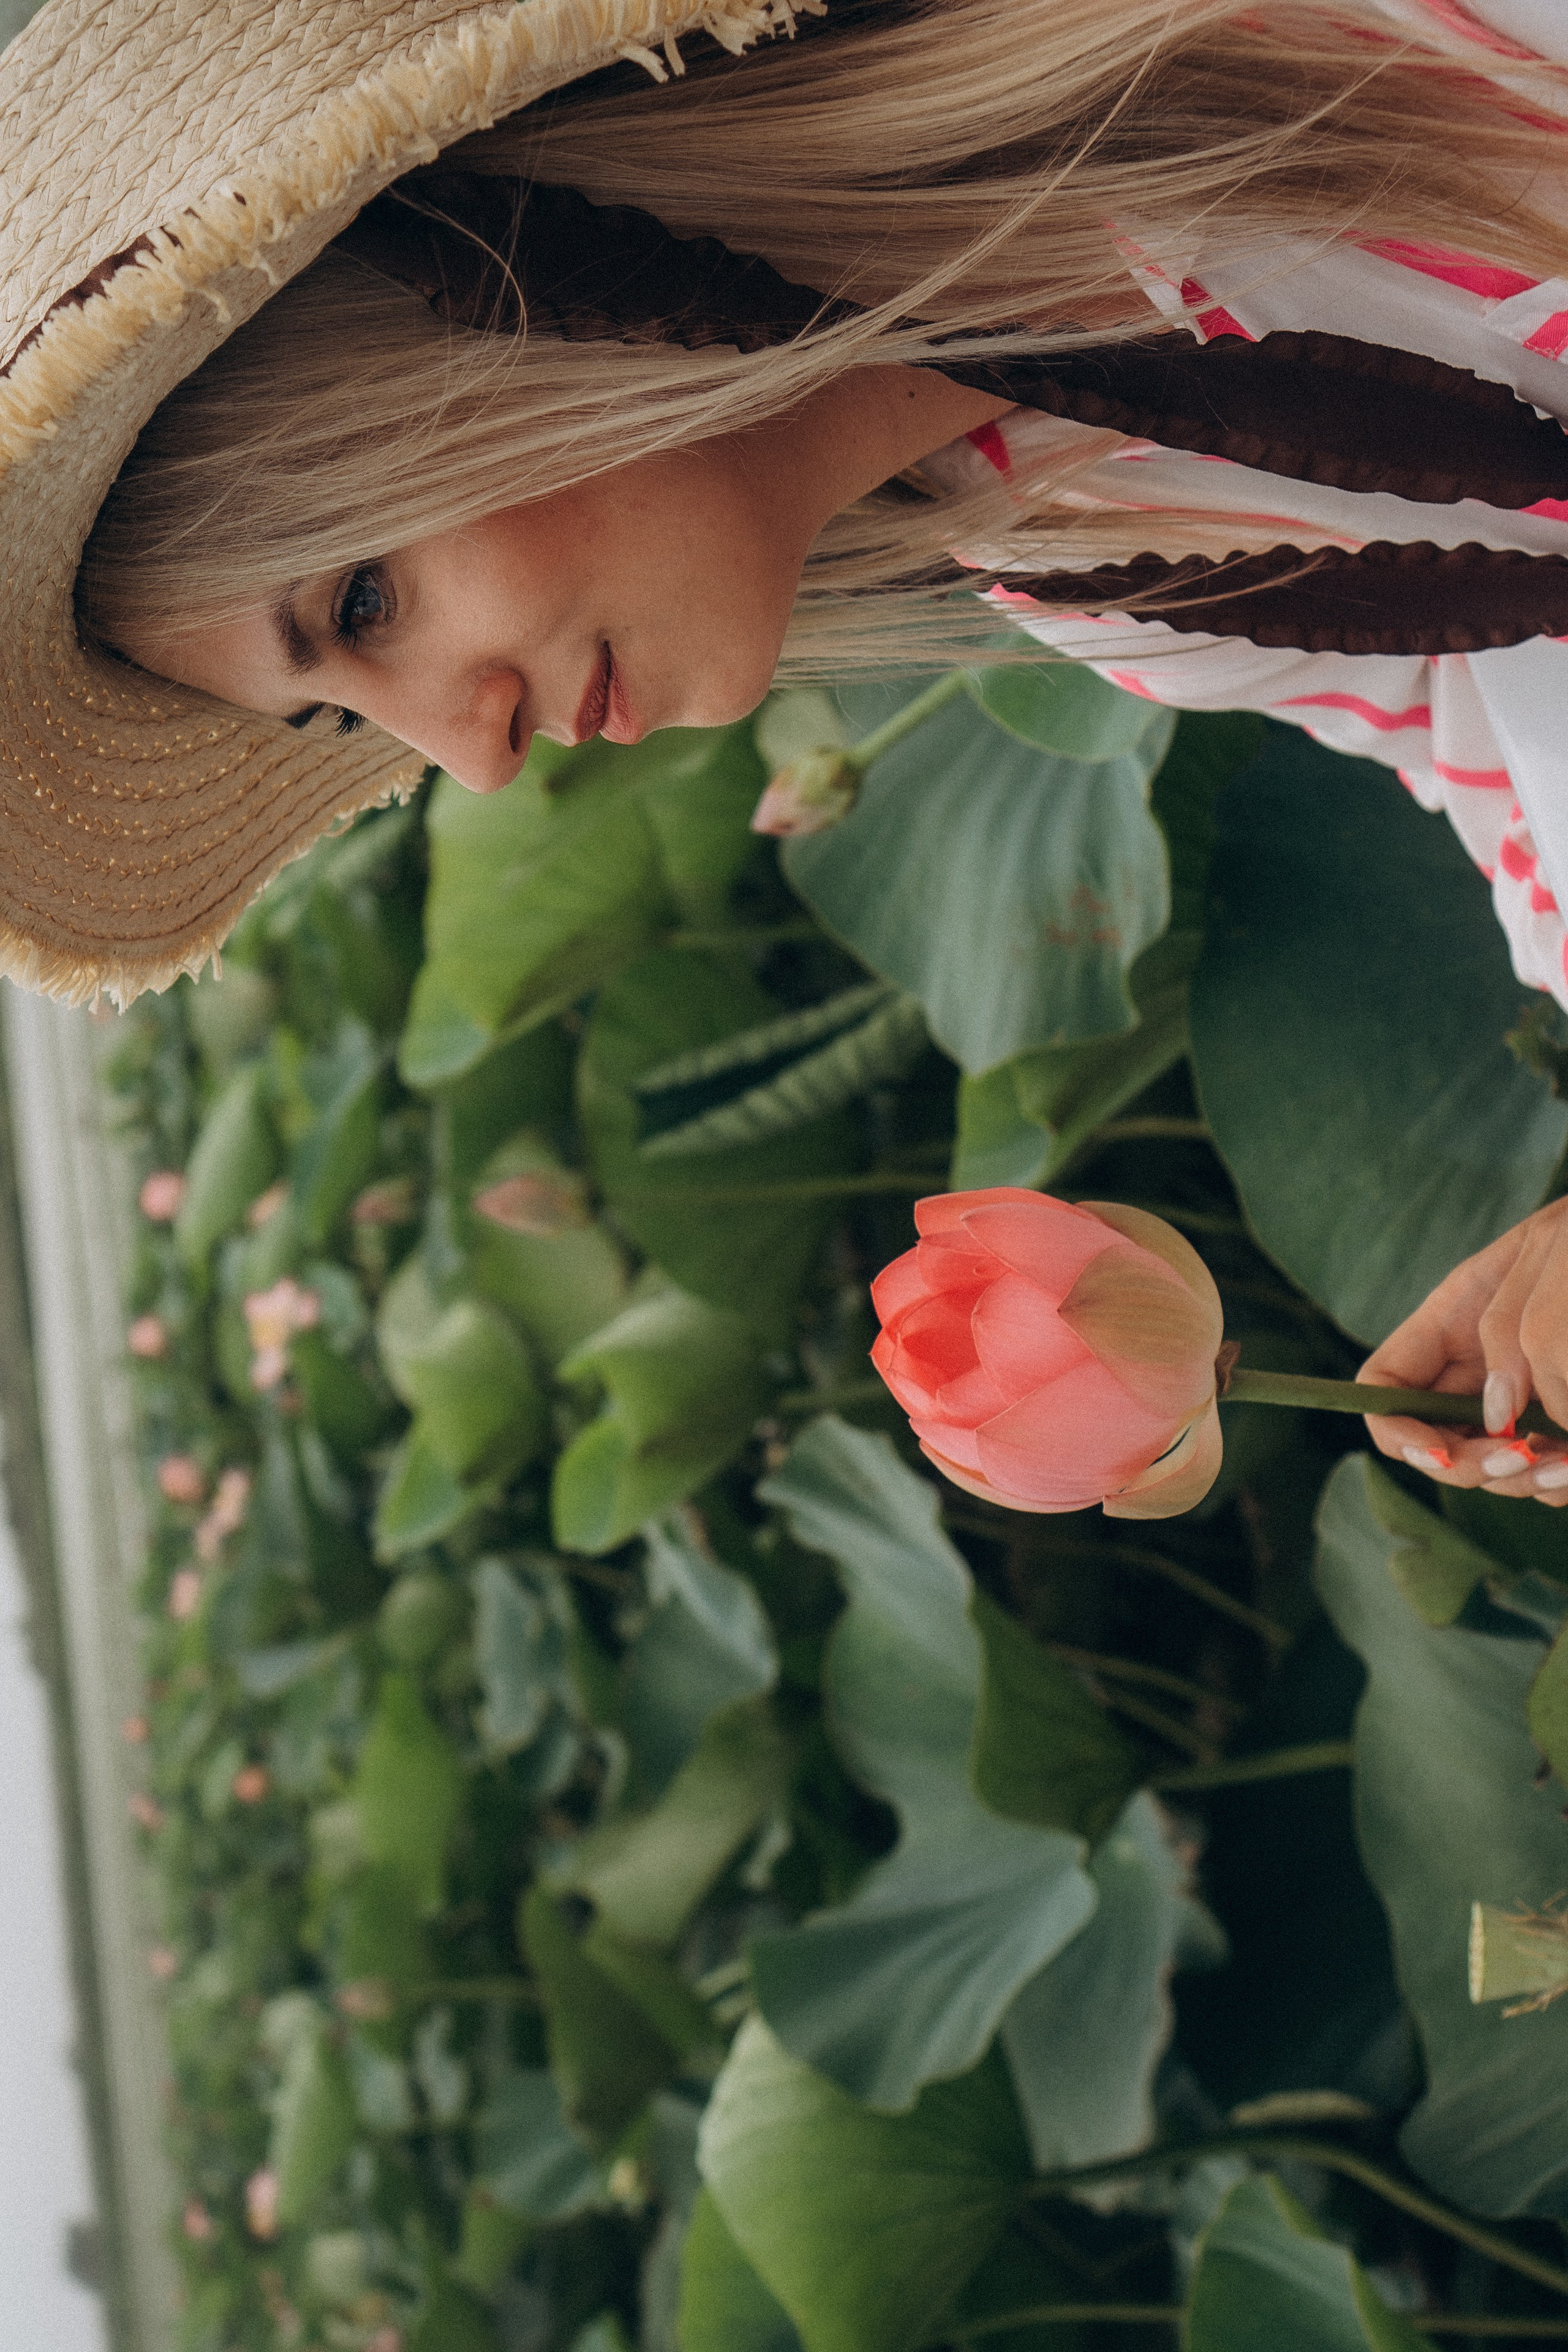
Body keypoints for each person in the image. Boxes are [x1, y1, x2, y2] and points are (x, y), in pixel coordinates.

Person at [7, 0, 1568, 1499]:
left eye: (363, 604)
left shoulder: (1248, 40)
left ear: (482, 293)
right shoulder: (1087, 555)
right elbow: (1484, 715)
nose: (473, 762)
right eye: (347, 712)